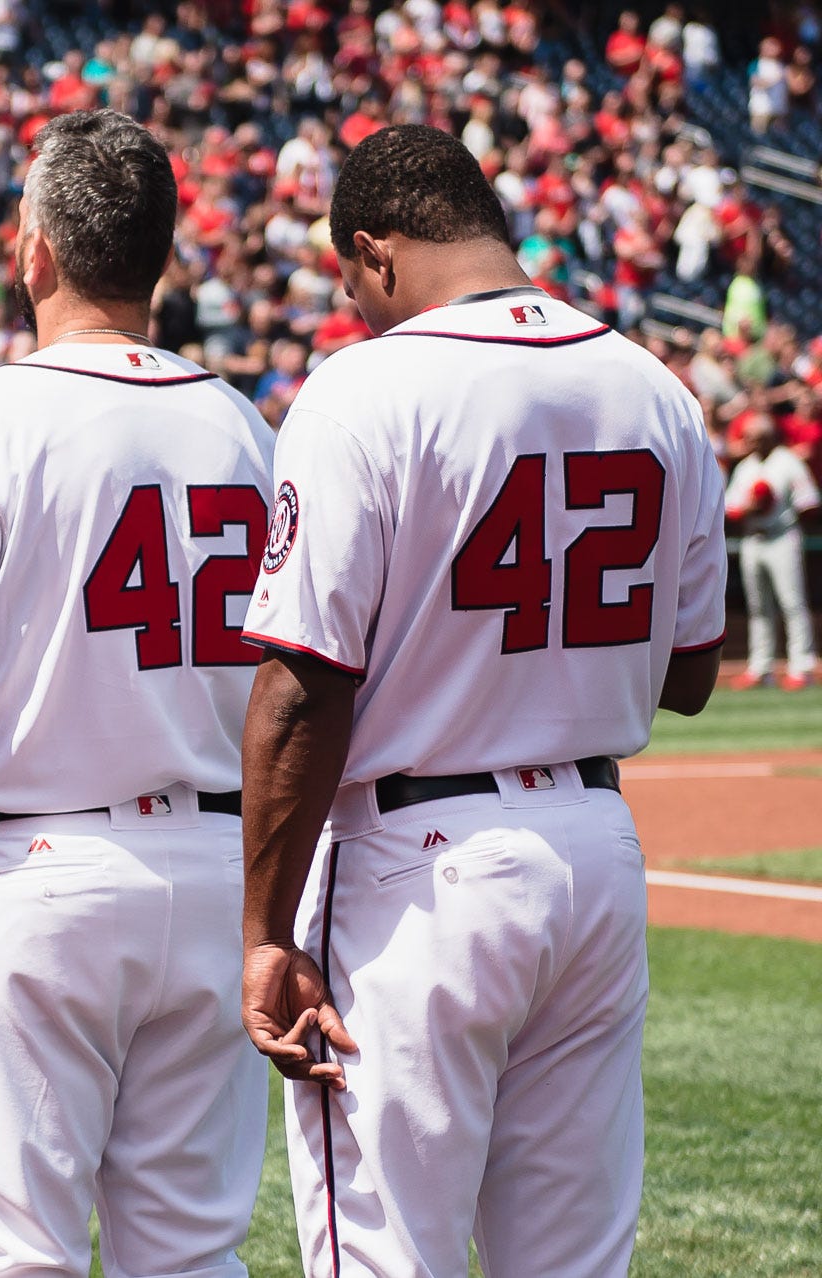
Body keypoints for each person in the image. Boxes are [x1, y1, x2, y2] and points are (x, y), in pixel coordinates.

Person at [238, 125, 727, 1278]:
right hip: (596, 848)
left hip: (419, 858)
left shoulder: (367, 384)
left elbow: (301, 689)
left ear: (377, 251)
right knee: (568, 1261)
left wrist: (262, 932)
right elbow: (694, 673)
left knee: (387, 1254)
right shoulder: (651, 382)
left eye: (354, 278)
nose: (357, 303)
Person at [0, 109, 271, 1278]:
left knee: (15, 1252)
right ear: (162, 255)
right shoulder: (244, 425)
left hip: (38, 877)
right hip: (212, 865)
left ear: (33, 250)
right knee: (190, 1253)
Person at [726, 416, 819, 689]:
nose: (750, 442)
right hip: (752, 539)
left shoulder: (789, 462)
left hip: (781, 536)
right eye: (748, 437)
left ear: (769, 436)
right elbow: (731, 507)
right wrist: (748, 509)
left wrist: (770, 508)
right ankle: (760, 667)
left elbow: (809, 504)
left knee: (792, 603)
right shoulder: (746, 466)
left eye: (754, 437)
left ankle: (802, 667)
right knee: (758, 607)